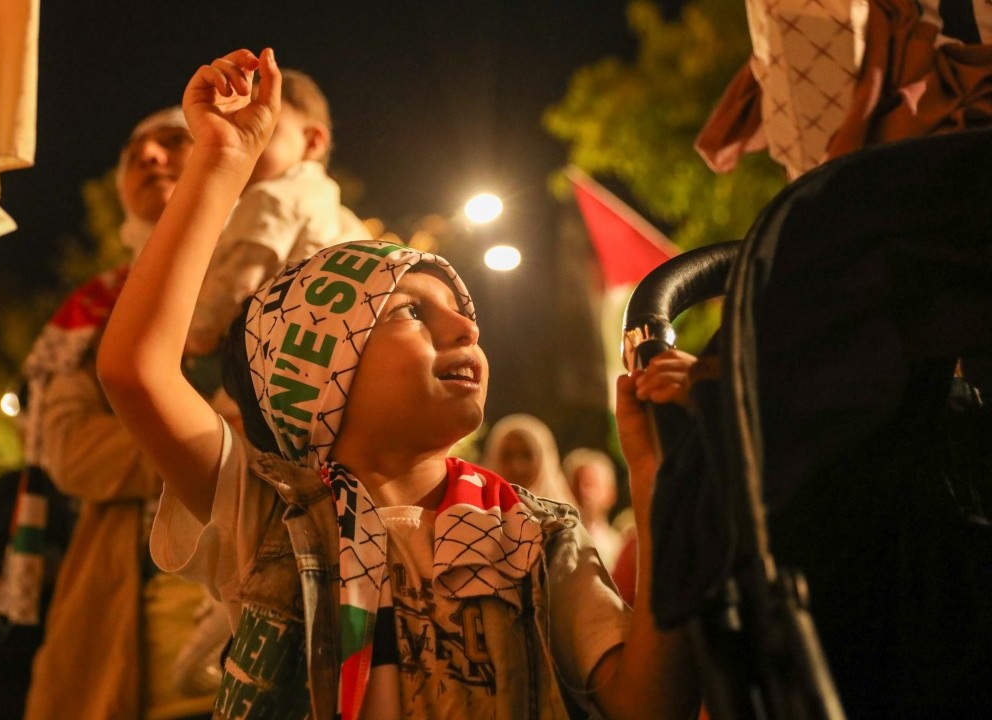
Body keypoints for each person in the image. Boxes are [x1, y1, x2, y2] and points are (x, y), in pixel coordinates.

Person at [97, 48, 698, 719]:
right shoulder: (266, 515)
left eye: (467, 316)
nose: (466, 331)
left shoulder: (538, 536)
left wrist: (660, 488)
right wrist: (222, 157)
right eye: (413, 312)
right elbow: (135, 369)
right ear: (321, 367)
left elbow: (649, 708)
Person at [21, 107, 222, 720]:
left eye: (171, 141)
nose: (151, 159)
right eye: (134, 156)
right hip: (126, 614)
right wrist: (219, 441)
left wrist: (152, 430)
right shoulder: (92, 312)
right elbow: (72, 453)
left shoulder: (287, 273)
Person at [184, 67, 365, 359]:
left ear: (313, 141)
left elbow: (230, 293)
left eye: (261, 127)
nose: (239, 139)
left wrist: (188, 341)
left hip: (279, 360)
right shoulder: (333, 207)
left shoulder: (270, 198)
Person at [0, 464, 74, 720]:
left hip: (67, 639)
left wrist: (53, 575)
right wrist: (6, 589)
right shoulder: (9, 485)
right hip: (2, 645)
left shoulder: (80, 483)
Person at [482, 413, 574, 503]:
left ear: (545, 460)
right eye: (507, 456)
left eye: (527, 455)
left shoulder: (564, 516)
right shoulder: (477, 513)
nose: (517, 466)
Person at [561, 448, 626, 569]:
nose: (582, 492)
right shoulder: (558, 541)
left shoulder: (619, 546)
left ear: (610, 493)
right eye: (575, 484)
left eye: (589, 484)